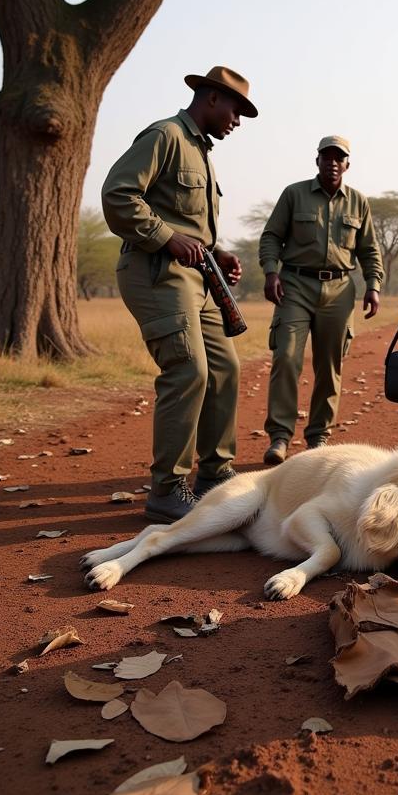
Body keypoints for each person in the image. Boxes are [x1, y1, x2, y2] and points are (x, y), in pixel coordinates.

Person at [102, 65, 257, 522]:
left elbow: (185, 221)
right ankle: (168, 489)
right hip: (156, 271)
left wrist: (216, 251)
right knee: (189, 368)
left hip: (197, 278)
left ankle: (214, 475)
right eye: (236, 108)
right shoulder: (166, 136)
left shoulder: (202, 151)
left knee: (225, 367)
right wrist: (167, 237)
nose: (238, 119)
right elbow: (118, 195)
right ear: (211, 98)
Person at [259, 136, 384, 463]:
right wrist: (271, 272)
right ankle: (280, 437)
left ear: (347, 164)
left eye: (338, 158)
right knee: (286, 356)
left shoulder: (358, 203)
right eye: (326, 157)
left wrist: (373, 285)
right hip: (295, 286)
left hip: (339, 291)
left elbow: (369, 249)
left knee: (330, 367)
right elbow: (272, 236)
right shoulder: (294, 195)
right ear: (317, 161)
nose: (332, 163)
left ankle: (317, 438)